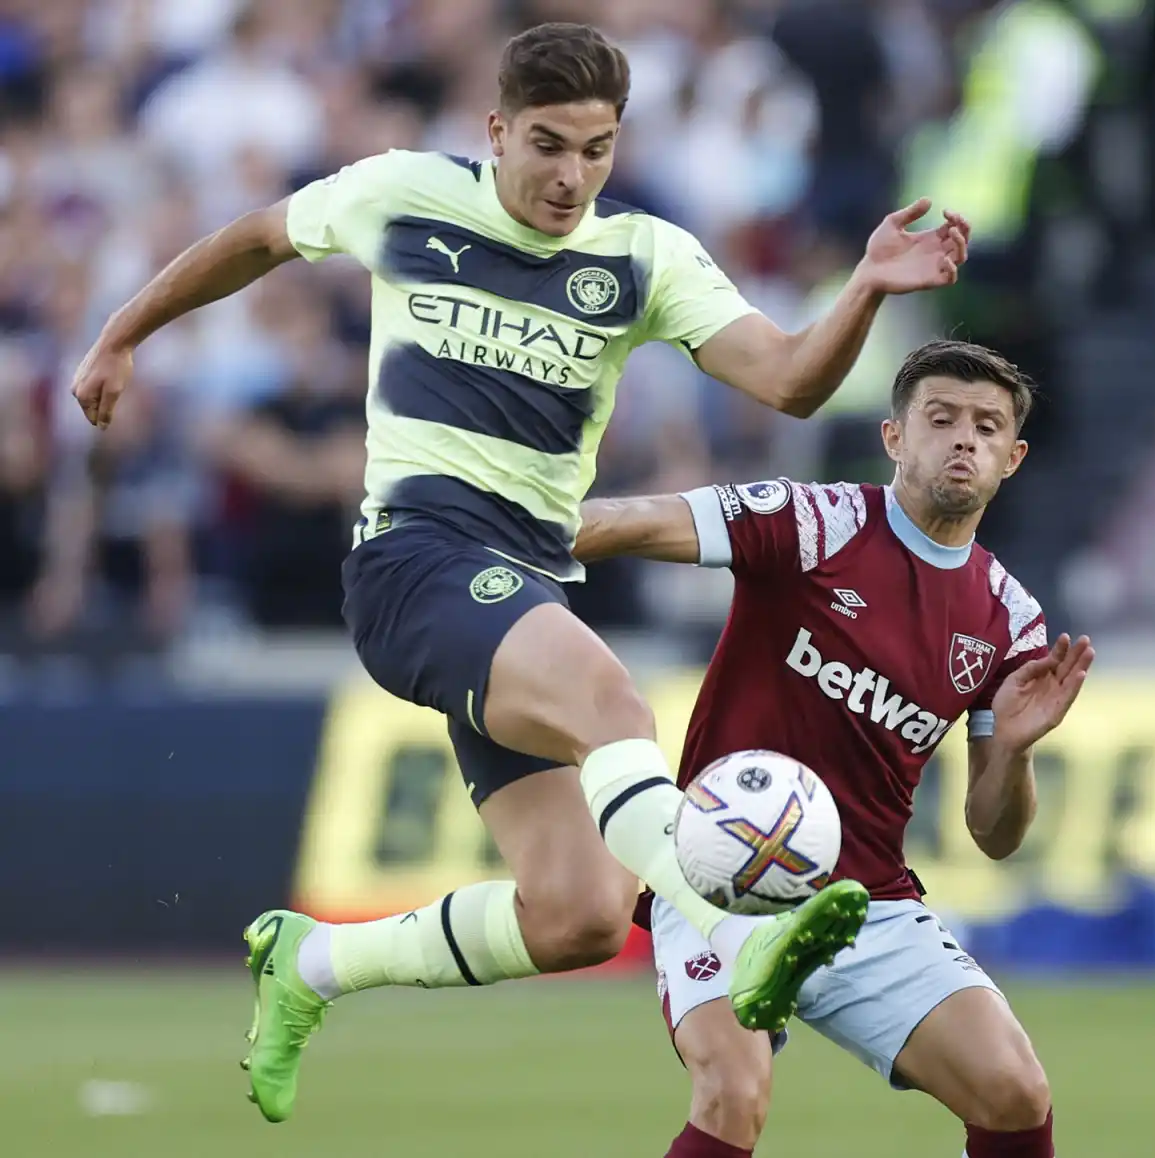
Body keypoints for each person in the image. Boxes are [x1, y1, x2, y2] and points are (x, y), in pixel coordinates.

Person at [69, 23, 970, 1124]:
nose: (569, 176)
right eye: (547, 145)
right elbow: (259, 238)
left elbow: (785, 380)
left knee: (580, 916)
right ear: (496, 129)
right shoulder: (406, 193)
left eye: (595, 150)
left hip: (522, 595)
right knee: (610, 704)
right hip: (412, 561)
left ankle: (310, 967)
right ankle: (752, 928)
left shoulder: (645, 256)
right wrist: (120, 333)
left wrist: (868, 288)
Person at [573, 340, 1091, 1158]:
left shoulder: (1010, 620)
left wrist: (1015, 751)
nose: (964, 439)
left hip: (867, 902)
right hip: (720, 874)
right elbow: (634, 521)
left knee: (1015, 1092)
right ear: (894, 437)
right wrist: (486, 537)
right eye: (941, 418)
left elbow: (995, 833)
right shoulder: (814, 522)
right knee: (733, 1093)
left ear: (1013, 458)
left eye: (987, 427)